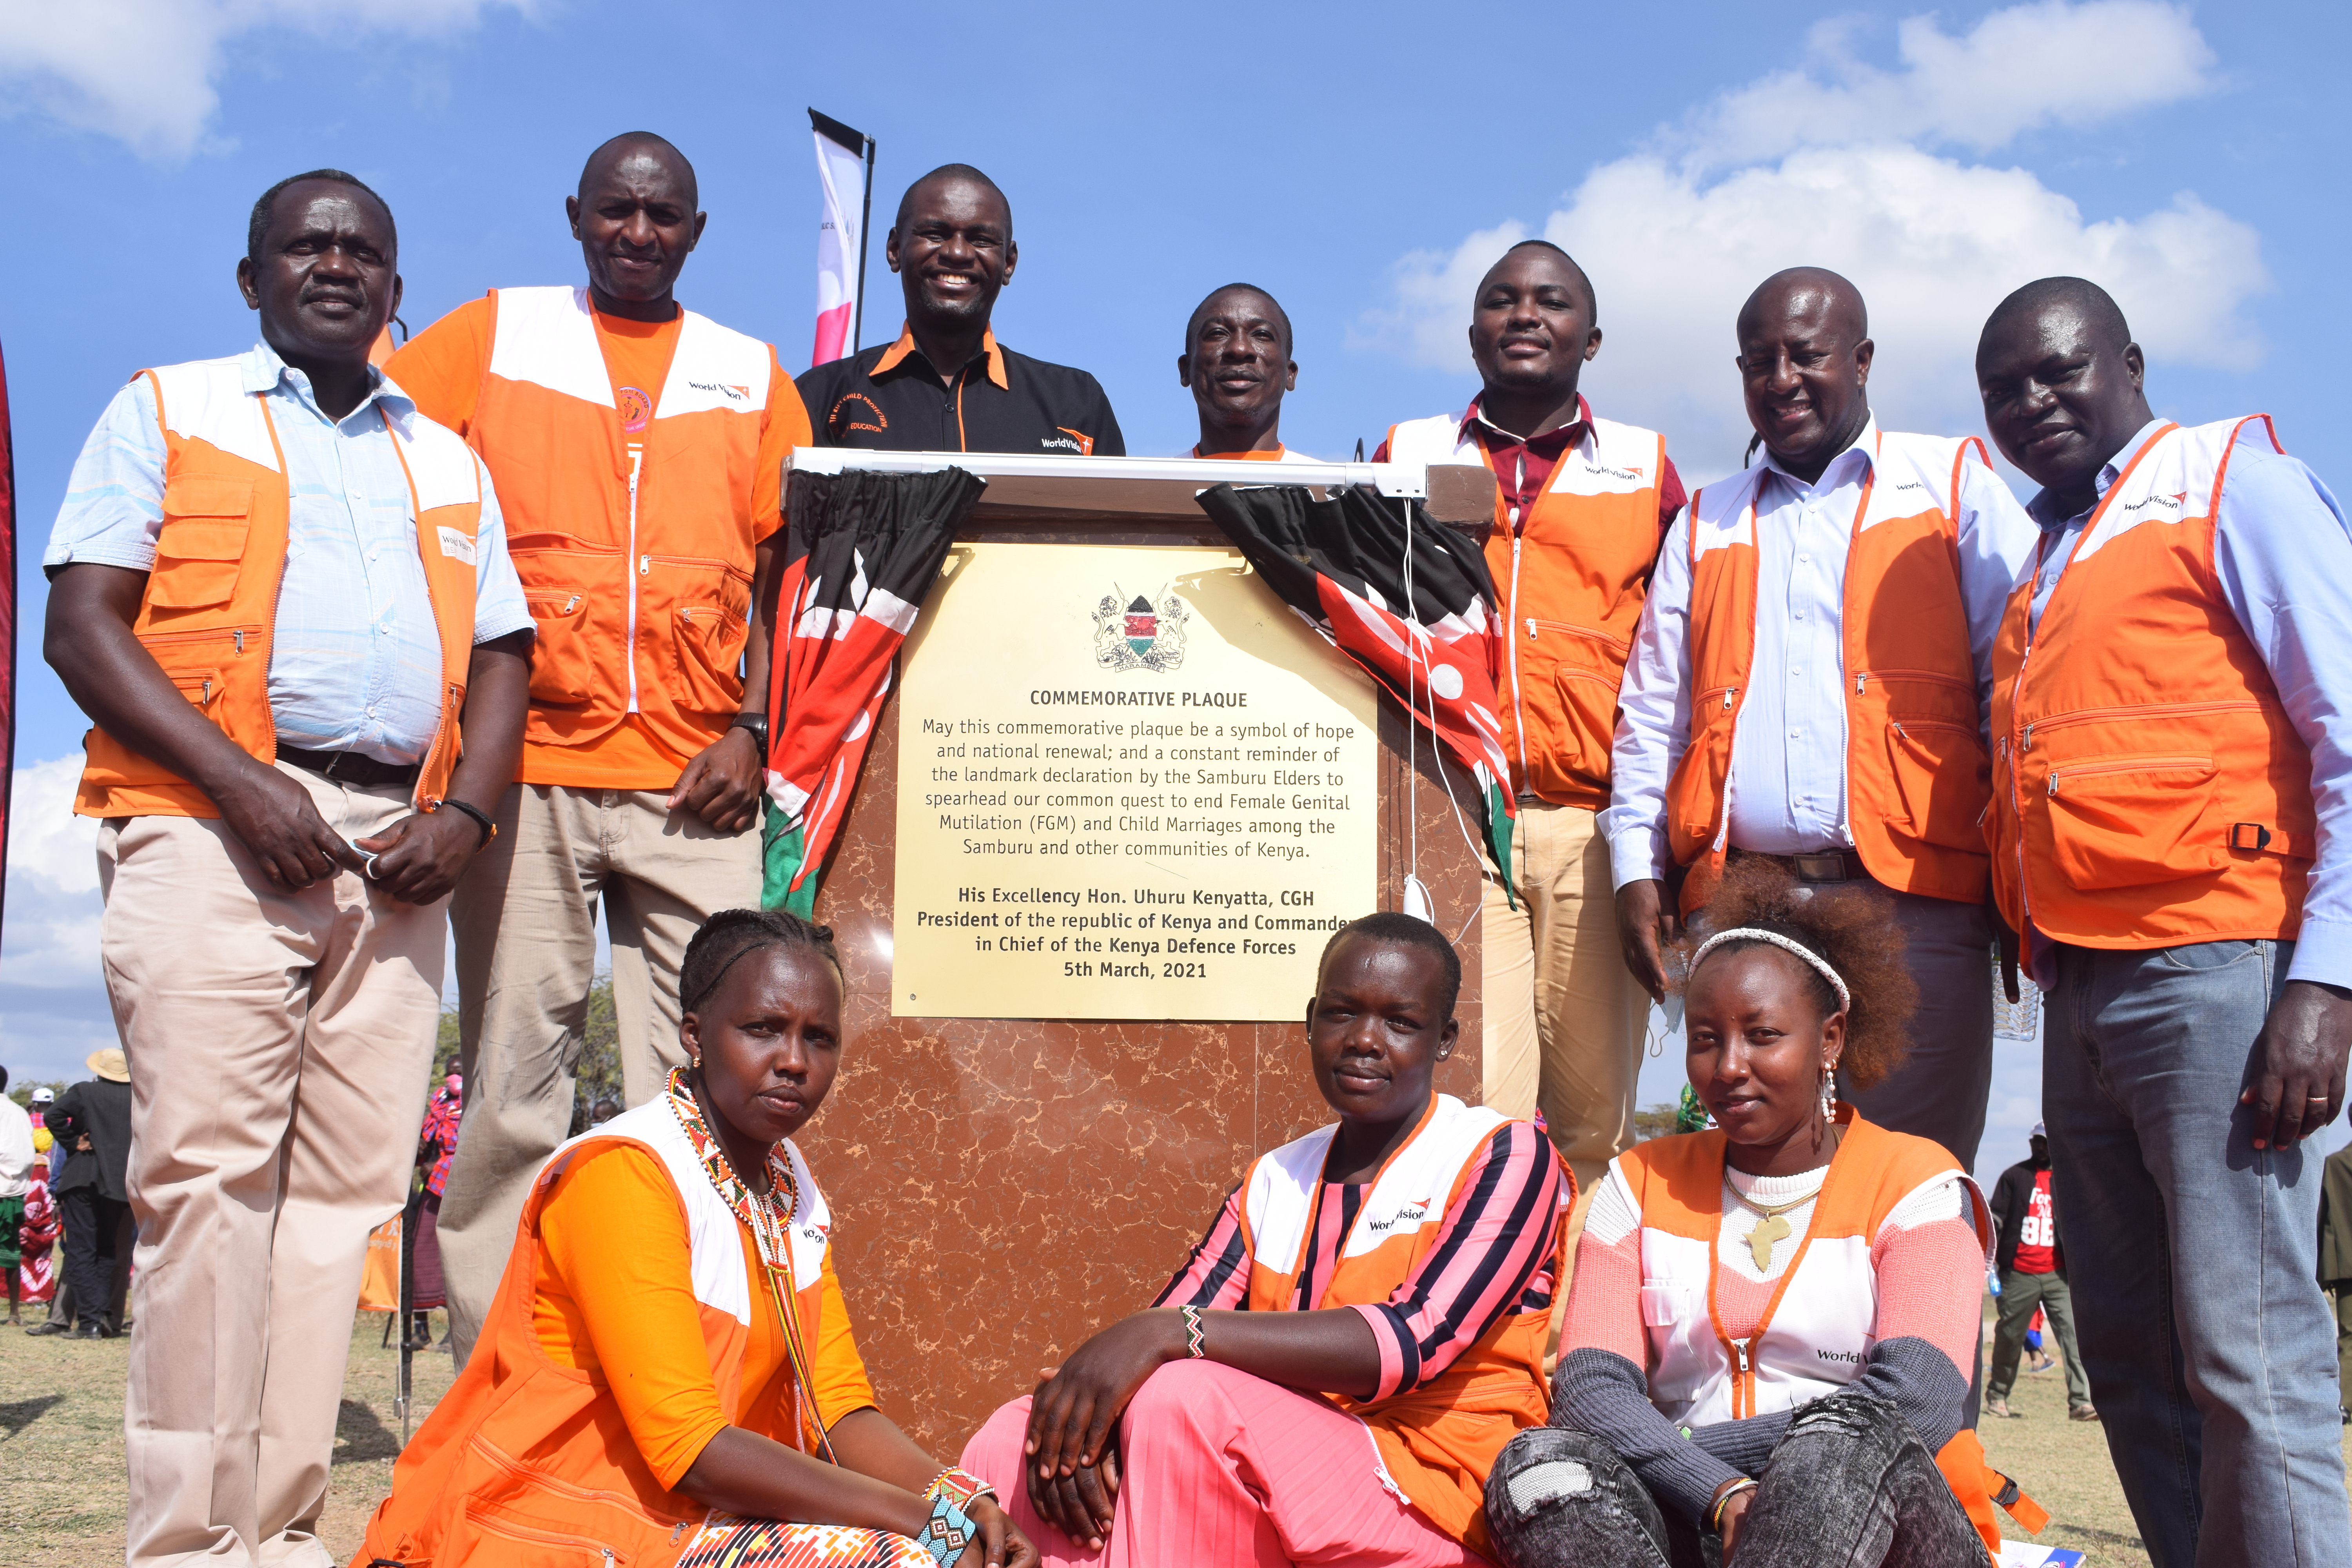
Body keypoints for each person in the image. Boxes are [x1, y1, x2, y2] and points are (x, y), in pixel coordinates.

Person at [42, 168, 533, 1564]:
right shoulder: (168, 408)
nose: (337, 263)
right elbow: (84, 626)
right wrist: (241, 783)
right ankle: (193, 1544)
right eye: (305, 245)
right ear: (251, 278)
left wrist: (473, 818)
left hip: (398, 851)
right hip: (210, 823)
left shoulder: (446, 458)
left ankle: (282, 1532)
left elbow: (503, 652)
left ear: (394, 286)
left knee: (341, 1206)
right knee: (208, 1187)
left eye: (364, 250)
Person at [388, 131, 809, 1368]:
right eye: (616, 212)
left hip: (699, 789)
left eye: (662, 215)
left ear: (695, 229)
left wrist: (751, 724)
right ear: (575, 215)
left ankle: (700, 1373)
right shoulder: (492, 334)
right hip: (523, 776)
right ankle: (501, 1379)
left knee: (713, 1095)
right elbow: (385, 465)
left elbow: (788, 571)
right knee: (514, 1089)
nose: (637, 232)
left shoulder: (747, 370)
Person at [1975, 276, 2352, 1566]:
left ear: (2128, 362)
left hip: (2222, 974)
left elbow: (2345, 730)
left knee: (2246, 1351)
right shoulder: (2048, 556)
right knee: (2131, 1355)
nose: (2032, 404)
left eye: (2058, 372)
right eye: (2004, 390)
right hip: (2080, 997)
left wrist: (2328, 981)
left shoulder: (2230, 482)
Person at [354, 910, 1036, 1568]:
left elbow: (841, 1409)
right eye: (763, 1029)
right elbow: (693, 1449)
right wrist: (922, 1523)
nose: (793, 1060)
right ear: (695, 1034)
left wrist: (961, 1501)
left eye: (818, 1037)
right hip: (573, 1525)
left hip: (694, 1526)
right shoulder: (625, 1173)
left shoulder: (788, 1189)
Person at [961, 912, 1570, 1566]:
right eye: (1341, 1014)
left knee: (1182, 1399)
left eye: (1400, 1022)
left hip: (1438, 1493)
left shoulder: (1503, 1152)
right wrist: (1092, 1410)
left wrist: (1168, 1336)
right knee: (1019, 1437)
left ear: (1444, 1039)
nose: (1364, 1040)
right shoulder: (1275, 1178)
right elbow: (1168, 1328)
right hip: (1295, 1468)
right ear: (1311, 1020)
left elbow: (1408, 1342)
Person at [1608, 266, 2039, 1176]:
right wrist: (1632, 864)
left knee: (1915, 1175)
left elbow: (2018, 684)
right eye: (1758, 360)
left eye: (1807, 354)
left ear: (1863, 359)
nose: (1782, 378)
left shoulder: (1950, 484)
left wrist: (2020, 870)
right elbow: (1654, 713)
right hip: (1747, 904)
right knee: (1762, 1181)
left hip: (1916, 897)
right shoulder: (1703, 523)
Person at [1485, 858, 2013, 1568]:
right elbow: (1589, 1393)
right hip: (1692, 1507)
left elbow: (1916, 1404)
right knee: (1541, 1468)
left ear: (1830, 1039)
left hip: (1884, 1523)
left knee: (1847, 1436)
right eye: (1705, 1039)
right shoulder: (1637, 1184)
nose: (1728, 1067)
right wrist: (1717, 1488)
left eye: (1762, 1036)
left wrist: (1677, 1449)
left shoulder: (1918, 1186)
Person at [1373, 240, 1686, 1202]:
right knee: (1476, 1112)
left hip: (1592, 827)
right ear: (1471, 332)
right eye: (1501, 300)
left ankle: (1578, 1349)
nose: (1524, 315)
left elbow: (1684, 647)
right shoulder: (1406, 451)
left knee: (1594, 1121)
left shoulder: (1646, 466)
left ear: (1590, 339)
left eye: (1551, 302)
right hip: (1461, 815)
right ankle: (1483, 1341)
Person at [797, 165, 1123, 456]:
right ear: (895, 250)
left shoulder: (1077, 403)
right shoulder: (818, 398)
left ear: (1009, 263)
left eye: (981, 239)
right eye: (935, 234)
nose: (957, 252)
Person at [1984, 1124, 2094, 1422]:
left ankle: (2082, 1403)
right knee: (2009, 1337)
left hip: (2059, 1275)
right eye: (2036, 1142)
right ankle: (1998, 1396)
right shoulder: (2014, 1177)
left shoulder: (2068, 1178)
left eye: (2045, 1143)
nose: (2040, 1148)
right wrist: (1992, 1261)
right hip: (2019, 1274)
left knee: (2074, 1336)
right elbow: (1996, 1219)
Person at [43, 1052, 134, 1339]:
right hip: (120, 1182)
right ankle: (102, 1319)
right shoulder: (138, 1098)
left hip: (84, 1178)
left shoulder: (85, 1091)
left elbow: (52, 1115)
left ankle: (88, 1323)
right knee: (108, 1251)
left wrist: (74, 1141)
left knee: (81, 1251)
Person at [1179, 284, 1314, 461]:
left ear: (1290, 374)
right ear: (1186, 369)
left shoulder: (1330, 487)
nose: (1239, 349)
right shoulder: (1146, 485)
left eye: (1262, 335)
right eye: (1218, 333)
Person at [405, 1073, 461, 1350]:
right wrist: (420, 1149)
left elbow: (474, 1149)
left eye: (461, 1070)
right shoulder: (437, 1108)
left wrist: (438, 1167)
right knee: (420, 1254)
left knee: (458, 1259)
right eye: (451, 1071)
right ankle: (422, 1331)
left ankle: (458, 1332)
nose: (455, 1078)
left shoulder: (476, 1106)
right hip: (432, 1189)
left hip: (463, 1189)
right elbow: (428, 1149)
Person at [2323, 1143, 2352, 1418]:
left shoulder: (2334, 1164)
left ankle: (2345, 1404)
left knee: (2350, 1337)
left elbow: (2326, 1221)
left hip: (2347, 1267)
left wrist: (2325, 1273)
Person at [0, 1067, 30, 1325]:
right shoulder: (21, 1113)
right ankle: (14, 1313)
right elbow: (26, 1156)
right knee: (10, 1250)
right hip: (15, 1190)